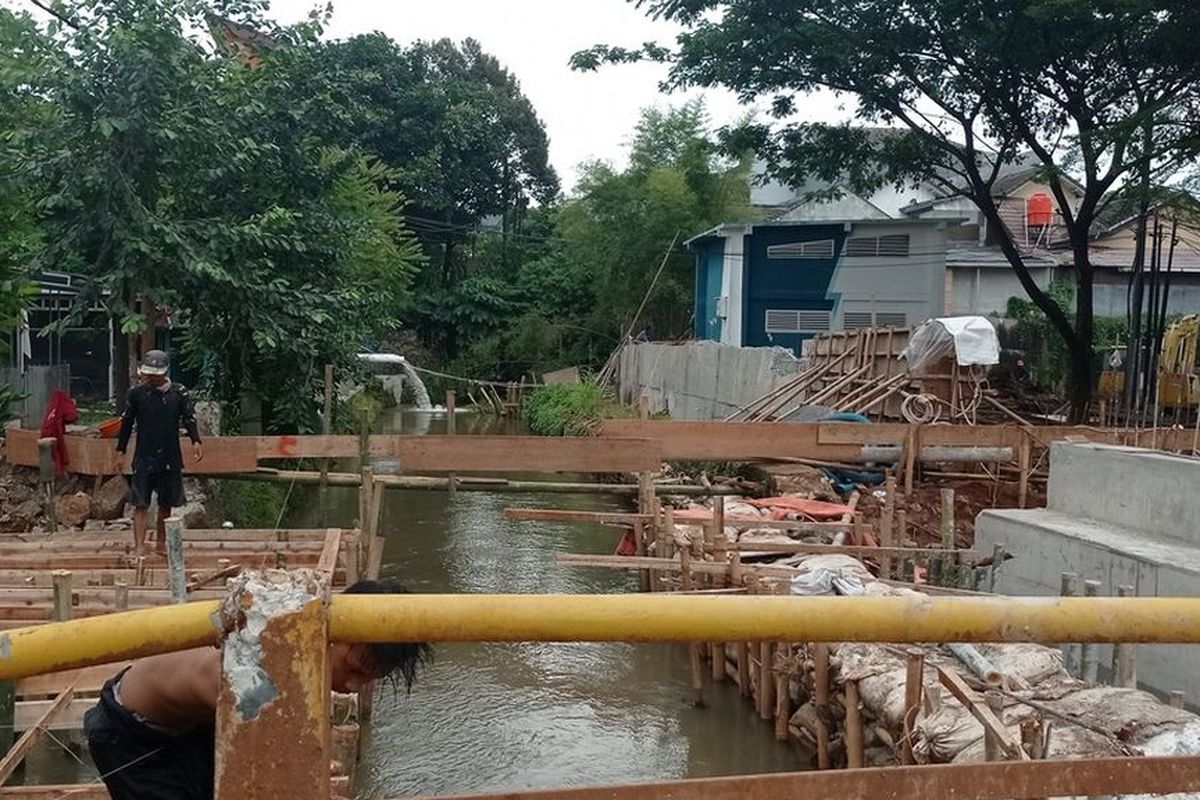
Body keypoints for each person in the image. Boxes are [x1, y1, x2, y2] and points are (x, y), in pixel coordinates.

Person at [84, 579, 432, 800]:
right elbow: (272, 755)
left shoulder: (298, 650)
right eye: (354, 670)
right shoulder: (264, 675)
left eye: (369, 680)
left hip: (194, 727)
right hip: (128, 732)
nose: (354, 686)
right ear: (333, 635)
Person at [115, 349, 203, 556]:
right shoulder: (137, 394)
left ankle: (161, 544)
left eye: (154, 375)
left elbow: (189, 418)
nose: (150, 378)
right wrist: (120, 450)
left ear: (163, 373)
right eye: (148, 375)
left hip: (169, 457)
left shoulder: (179, 393)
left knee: (166, 503)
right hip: (144, 457)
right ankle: (139, 546)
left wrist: (196, 440)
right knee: (140, 504)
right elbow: (126, 423)